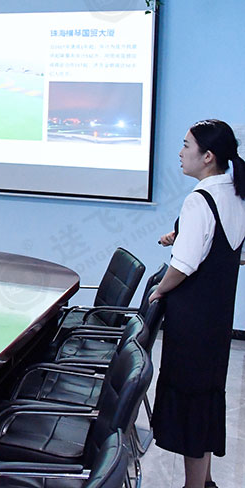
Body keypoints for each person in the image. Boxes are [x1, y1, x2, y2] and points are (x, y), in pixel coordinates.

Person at [149, 120, 245, 488]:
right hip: (217, 319)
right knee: (204, 401)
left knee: (189, 404)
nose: (180, 152)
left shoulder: (200, 199)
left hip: (191, 322)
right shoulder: (234, 194)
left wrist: (160, 289)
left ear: (207, 156)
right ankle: (203, 482)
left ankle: (193, 486)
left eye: (186, 145)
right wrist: (182, 233)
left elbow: (184, 265)